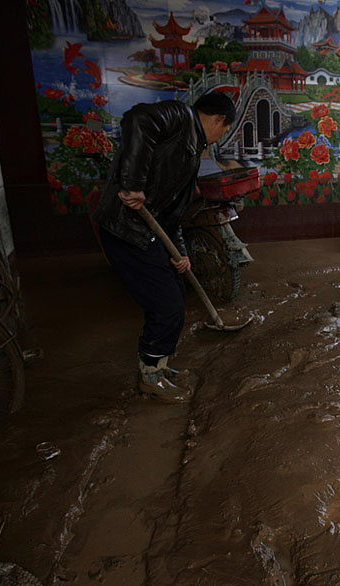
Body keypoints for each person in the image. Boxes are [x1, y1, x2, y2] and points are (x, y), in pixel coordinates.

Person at [92, 92, 235, 402]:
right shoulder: (180, 117)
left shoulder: (192, 151)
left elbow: (173, 213)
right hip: (126, 230)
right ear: (219, 119)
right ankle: (149, 378)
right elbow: (138, 119)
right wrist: (133, 183)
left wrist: (180, 252)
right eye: (224, 130)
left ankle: (160, 365)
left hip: (150, 232)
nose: (220, 136)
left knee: (175, 294)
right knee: (166, 306)